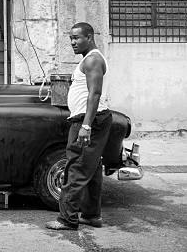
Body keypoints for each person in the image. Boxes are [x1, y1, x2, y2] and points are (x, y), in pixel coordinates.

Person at [46, 22, 112, 230]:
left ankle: (67, 219)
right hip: (91, 119)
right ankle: (92, 216)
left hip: (89, 120)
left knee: (75, 167)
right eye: (71, 38)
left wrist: (86, 126)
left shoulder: (92, 60)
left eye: (77, 38)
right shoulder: (88, 59)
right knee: (90, 169)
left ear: (89, 37)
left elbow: (95, 93)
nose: (73, 42)